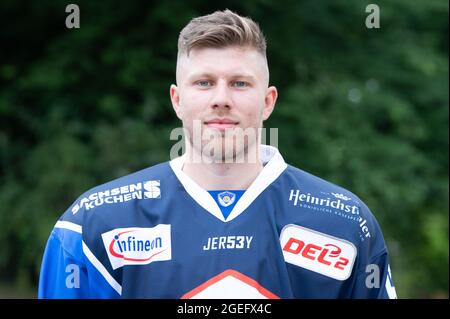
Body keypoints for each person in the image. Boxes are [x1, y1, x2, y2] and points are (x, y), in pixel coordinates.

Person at [38, 9, 397, 299]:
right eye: (204, 82)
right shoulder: (94, 225)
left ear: (268, 101)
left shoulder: (345, 225)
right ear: (177, 99)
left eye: (240, 83)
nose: (221, 98)